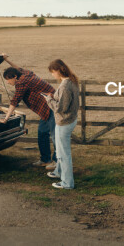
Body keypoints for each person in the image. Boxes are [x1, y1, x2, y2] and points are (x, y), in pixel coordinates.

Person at [0, 54, 57, 168]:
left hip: (52, 108)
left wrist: (6, 119)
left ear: (14, 77)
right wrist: (6, 60)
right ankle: (45, 160)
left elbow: (14, 101)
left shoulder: (21, 82)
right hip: (45, 110)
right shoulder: (25, 73)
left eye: (8, 80)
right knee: (42, 133)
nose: (8, 82)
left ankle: (57, 162)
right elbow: (17, 68)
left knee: (55, 137)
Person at [44, 59, 79, 189]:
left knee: (64, 154)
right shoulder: (71, 81)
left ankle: (67, 183)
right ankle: (58, 172)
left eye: (53, 72)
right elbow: (66, 101)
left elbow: (61, 108)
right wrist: (54, 97)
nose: (52, 75)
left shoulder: (65, 86)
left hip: (64, 122)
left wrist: (48, 99)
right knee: (60, 150)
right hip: (69, 120)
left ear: (59, 70)